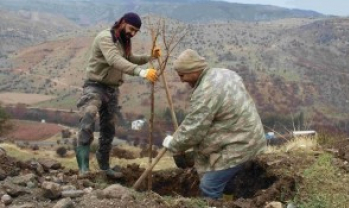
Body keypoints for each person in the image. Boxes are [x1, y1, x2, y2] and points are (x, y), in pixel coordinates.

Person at [162, 49, 266, 200]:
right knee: (227, 180)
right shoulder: (225, 73)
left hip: (240, 146)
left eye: (182, 75)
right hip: (251, 137)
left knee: (209, 186)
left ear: (194, 71)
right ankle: (231, 199)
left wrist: (174, 145)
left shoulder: (206, 91)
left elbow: (194, 127)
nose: (181, 80)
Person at [75, 12, 161, 178]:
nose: (132, 34)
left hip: (112, 90)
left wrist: (151, 57)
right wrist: (141, 72)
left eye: (136, 31)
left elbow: (131, 58)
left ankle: (104, 167)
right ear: (122, 23)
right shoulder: (105, 38)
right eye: (131, 29)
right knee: (88, 118)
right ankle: (83, 169)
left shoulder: (123, 42)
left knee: (109, 129)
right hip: (95, 86)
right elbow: (114, 59)